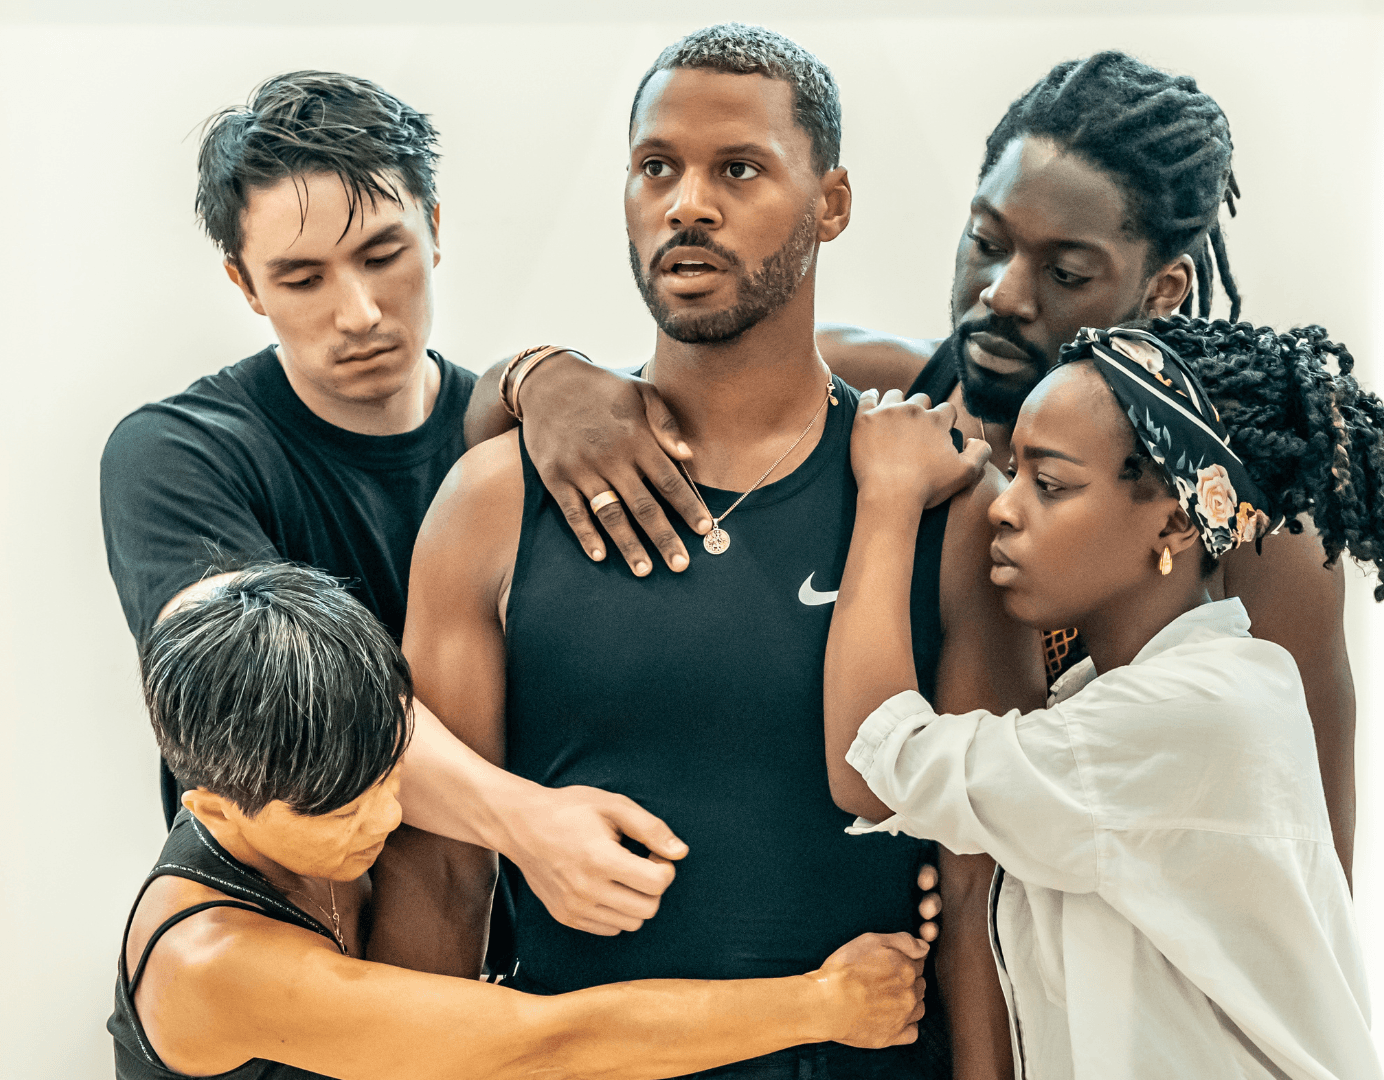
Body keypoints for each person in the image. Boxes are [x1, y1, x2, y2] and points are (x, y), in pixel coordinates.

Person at [509, 51, 1365, 879]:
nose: (1004, 292)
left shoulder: (1250, 524)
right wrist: (540, 376)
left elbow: (1310, 861)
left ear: (1164, 290)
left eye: (1066, 272)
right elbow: (572, 413)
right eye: (987, 240)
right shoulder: (863, 390)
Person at [402, 24, 1033, 1079]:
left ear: (831, 203)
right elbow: (441, 875)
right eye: (657, 167)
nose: (687, 204)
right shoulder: (494, 504)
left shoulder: (944, 509)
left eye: (739, 169)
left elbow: (981, 893)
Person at [97, 70, 698, 975]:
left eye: (383, 255)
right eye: (301, 278)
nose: (360, 313)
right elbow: (274, 697)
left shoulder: (518, 448)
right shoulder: (177, 456)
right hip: (276, 975)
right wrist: (524, 822)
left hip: (517, 972)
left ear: (436, 230)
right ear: (245, 284)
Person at [820, 318, 1384, 1078]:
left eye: (1049, 485)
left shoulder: (1189, 714)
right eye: (1013, 471)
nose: (1003, 506)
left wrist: (889, 496)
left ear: (1174, 521)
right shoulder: (1155, 692)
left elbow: (873, 760)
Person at [108, 562, 929, 1080]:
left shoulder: (313, 754)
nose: (388, 814)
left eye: (389, 773)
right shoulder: (211, 967)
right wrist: (825, 1003)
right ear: (210, 805)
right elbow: (548, 1043)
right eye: (341, 810)